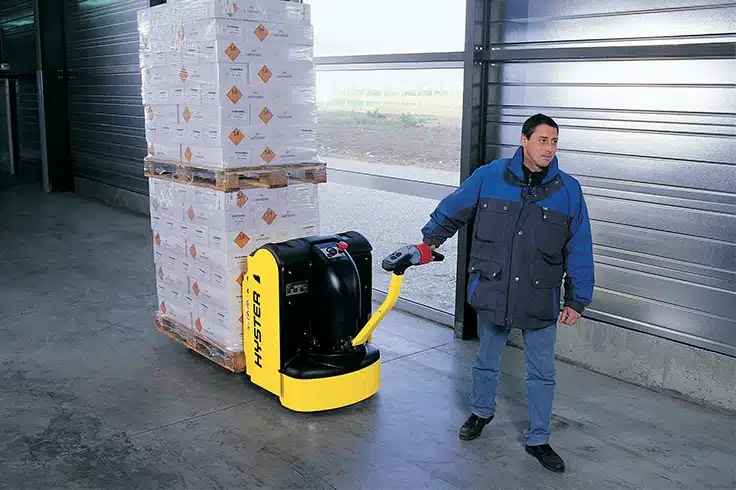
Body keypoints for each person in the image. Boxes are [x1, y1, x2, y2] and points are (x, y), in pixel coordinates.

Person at [415, 113, 595, 473]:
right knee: (486, 358)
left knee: (542, 372)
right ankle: (481, 412)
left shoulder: (569, 191)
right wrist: (427, 243)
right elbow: (453, 210)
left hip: (540, 295)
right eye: (542, 140)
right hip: (494, 287)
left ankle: (539, 438)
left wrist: (577, 298)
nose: (549, 148)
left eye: (554, 141)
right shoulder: (490, 176)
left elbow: (580, 247)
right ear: (524, 140)